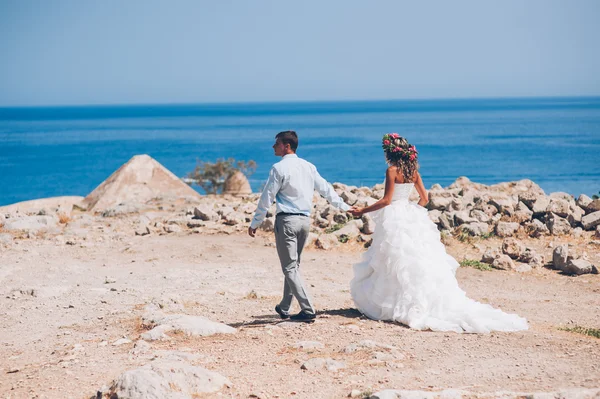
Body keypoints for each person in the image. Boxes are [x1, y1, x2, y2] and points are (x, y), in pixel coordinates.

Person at [348, 133, 528, 333]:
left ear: (390, 153)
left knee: (393, 261)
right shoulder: (413, 171)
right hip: (411, 214)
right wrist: (412, 210)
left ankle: (391, 303)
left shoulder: (392, 170)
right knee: (416, 260)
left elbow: (387, 200)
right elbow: (424, 198)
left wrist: (362, 210)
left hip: (395, 215)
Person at [248, 130, 350, 322]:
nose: (273, 147)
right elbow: (326, 189)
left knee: (289, 268)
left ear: (286, 146)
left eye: (276, 143)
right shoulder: (309, 167)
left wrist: (256, 221)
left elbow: (267, 197)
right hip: (304, 221)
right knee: (294, 266)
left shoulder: (278, 168)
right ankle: (285, 306)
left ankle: (308, 309)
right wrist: (345, 207)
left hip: (287, 221)